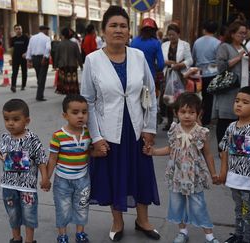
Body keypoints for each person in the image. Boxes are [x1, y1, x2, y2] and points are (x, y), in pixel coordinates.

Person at [80, 5, 160, 241]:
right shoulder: (92, 60)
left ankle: (143, 220)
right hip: (109, 129)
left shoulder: (138, 56)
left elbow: (150, 92)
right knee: (115, 176)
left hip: (137, 127)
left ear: (129, 30)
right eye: (113, 25)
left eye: (123, 26)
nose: (118, 30)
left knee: (142, 174)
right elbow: (88, 101)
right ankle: (117, 221)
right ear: (103, 30)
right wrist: (96, 137)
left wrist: (150, 127)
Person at [143, 92, 220, 243]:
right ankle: (182, 231)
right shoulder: (174, 130)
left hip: (195, 176)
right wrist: (154, 152)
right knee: (177, 204)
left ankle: (209, 235)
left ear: (199, 113)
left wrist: (213, 173)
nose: (187, 116)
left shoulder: (202, 132)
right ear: (176, 112)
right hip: (176, 174)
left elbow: (208, 154)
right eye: (183, 112)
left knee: (198, 205)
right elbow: (171, 149)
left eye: (191, 112)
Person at [47, 94, 106, 243]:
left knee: (82, 206)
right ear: (65, 115)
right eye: (75, 112)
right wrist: (46, 178)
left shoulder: (89, 134)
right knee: (63, 208)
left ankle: (80, 233)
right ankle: (62, 235)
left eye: (84, 112)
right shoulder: (58, 136)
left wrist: (97, 153)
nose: (80, 116)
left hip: (83, 179)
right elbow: (53, 158)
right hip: (62, 180)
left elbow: (87, 152)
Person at [0, 99, 50, 243]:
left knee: (29, 214)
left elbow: (41, 159)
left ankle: (29, 240)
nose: (10, 123)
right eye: (6, 119)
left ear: (27, 120)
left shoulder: (32, 139)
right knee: (13, 214)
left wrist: (45, 178)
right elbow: (1, 153)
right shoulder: (4, 138)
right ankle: (16, 238)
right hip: (8, 186)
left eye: (16, 119)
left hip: (27, 188)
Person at [218, 86, 250, 243]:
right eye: (237, 101)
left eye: (245, 102)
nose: (239, 105)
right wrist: (223, 172)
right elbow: (225, 151)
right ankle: (238, 235)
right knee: (238, 210)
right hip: (235, 179)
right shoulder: (231, 127)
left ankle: (248, 239)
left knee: (248, 213)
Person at [214, 21, 250, 147]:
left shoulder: (245, 48)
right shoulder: (225, 47)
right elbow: (221, 67)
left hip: (243, 89)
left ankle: (239, 149)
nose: (243, 36)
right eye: (240, 33)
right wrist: (238, 57)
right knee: (226, 119)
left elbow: (247, 68)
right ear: (232, 33)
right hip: (229, 89)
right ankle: (222, 149)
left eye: (245, 33)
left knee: (241, 119)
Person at [161, 23, 193, 131]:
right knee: (168, 98)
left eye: (173, 35)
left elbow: (190, 60)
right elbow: (161, 60)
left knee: (180, 98)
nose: (171, 37)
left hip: (180, 74)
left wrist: (180, 65)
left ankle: (181, 121)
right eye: (169, 35)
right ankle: (169, 122)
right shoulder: (164, 45)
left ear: (178, 34)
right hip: (168, 74)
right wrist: (168, 62)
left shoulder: (185, 45)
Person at [192, 20, 221, 126]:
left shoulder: (197, 42)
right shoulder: (217, 43)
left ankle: (196, 117)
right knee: (209, 98)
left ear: (204, 29)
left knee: (198, 96)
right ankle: (206, 120)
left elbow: (193, 57)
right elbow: (219, 59)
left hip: (199, 74)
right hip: (212, 73)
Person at [130, 18, 164, 83]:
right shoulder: (156, 43)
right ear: (154, 30)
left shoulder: (133, 41)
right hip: (150, 76)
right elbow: (161, 64)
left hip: (134, 76)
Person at [54, 27, 83, 95]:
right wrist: (81, 65)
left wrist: (55, 65)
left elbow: (56, 56)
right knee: (72, 81)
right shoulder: (74, 44)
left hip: (62, 65)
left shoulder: (59, 44)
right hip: (72, 65)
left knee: (64, 81)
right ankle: (71, 93)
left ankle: (66, 93)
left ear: (63, 35)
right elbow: (78, 56)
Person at [26, 25, 51, 101]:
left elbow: (29, 48)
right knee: (42, 77)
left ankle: (39, 91)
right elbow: (48, 48)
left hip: (34, 58)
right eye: (47, 30)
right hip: (43, 58)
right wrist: (45, 57)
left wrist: (28, 60)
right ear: (45, 30)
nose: (47, 32)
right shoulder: (47, 38)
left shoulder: (32, 37)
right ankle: (39, 96)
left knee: (39, 75)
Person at [10, 24, 30, 92]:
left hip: (23, 57)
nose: (18, 30)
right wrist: (11, 58)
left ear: (22, 29)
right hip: (15, 58)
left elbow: (29, 47)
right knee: (14, 72)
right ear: (15, 30)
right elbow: (12, 49)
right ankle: (13, 86)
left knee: (24, 72)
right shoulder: (13, 39)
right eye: (17, 29)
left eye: (19, 28)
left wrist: (26, 53)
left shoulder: (25, 38)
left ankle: (23, 85)